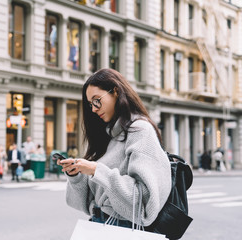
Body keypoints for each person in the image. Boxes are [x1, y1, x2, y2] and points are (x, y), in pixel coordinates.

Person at [57, 68, 171, 228]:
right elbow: (85, 202)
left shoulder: (140, 130)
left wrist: (96, 170)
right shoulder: (109, 136)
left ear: (115, 92)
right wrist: (76, 174)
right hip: (100, 224)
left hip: (122, 228)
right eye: (90, 104)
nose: (94, 109)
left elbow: (145, 205)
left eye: (97, 100)